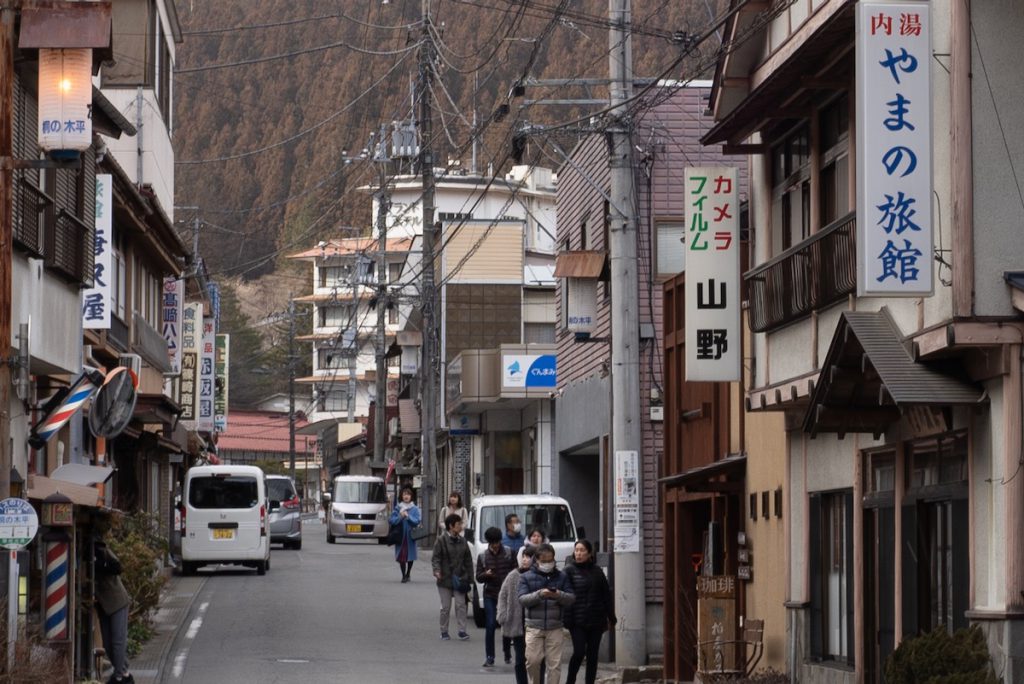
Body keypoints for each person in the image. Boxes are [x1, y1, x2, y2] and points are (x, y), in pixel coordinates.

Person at [518, 543, 575, 684]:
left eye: (550, 560)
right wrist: (540, 594)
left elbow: (571, 598)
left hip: (555, 626)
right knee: (532, 661)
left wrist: (558, 595)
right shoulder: (526, 577)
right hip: (533, 626)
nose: (547, 564)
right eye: (544, 561)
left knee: (554, 665)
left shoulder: (562, 577)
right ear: (536, 560)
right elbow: (523, 599)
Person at [563, 540, 617, 684]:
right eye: (576, 550)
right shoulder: (568, 570)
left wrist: (611, 617)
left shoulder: (597, 571)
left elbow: (606, 595)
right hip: (577, 621)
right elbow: (565, 598)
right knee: (579, 652)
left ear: (589, 553)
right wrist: (567, 620)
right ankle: (570, 680)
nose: (579, 553)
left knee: (593, 655)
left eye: (582, 550)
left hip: (596, 619)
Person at [94, 513, 134, 684]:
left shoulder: (101, 550)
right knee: (109, 645)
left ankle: (119, 676)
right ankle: (124, 673)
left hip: (117, 601)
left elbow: (118, 567)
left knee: (117, 641)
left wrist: (100, 564)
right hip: (103, 603)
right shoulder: (88, 552)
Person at [497, 545, 542, 684]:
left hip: (536, 624)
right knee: (520, 660)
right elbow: (503, 595)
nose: (525, 559)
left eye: (528, 557)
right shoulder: (513, 575)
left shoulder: (539, 576)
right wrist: (502, 614)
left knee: (537, 659)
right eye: (523, 556)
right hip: (518, 624)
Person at [475, 526, 516, 667]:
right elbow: (478, 578)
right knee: (490, 624)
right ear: (489, 542)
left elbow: (516, 572)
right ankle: (490, 656)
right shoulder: (482, 556)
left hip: (506, 595)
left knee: (505, 623)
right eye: (493, 543)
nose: (495, 545)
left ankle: (507, 652)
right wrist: (486, 575)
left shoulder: (509, 553)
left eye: (497, 542)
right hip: (490, 594)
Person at [432, 513, 474, 641]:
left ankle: (462, 630)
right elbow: (436, 558)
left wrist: (470, 578)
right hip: (444, 578)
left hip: (460, 578)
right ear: (451, 526)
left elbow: (468, 560)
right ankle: (444, 631)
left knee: (461, 605)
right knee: (445, 607)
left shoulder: (463, 541)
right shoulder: (441, 540)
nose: (461, 526)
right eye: (458, 524)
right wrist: (437, 571)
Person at [388, 487, 422, 582]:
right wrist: (400, 516)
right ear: (401, 496)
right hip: (400, 535)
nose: (406, 496)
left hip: (410, 536)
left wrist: (408, 516)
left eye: (408, 494)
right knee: (401, 556)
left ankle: (408, 573)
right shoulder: (398, 508)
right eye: (404, 494)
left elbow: (417, 521)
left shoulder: (415, 508)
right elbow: (391, 520)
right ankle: (403, 575)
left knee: (410, 556)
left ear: (411, 496)